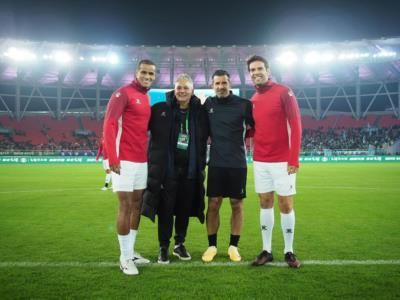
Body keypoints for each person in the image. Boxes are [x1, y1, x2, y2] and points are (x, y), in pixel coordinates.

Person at [142, 74, 209, 264]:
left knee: (183, 209)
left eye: (186, 88)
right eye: (179, 87)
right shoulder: (159, 109)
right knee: (165, 210)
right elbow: (140, 128)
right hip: (167, 171)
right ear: (174, 89)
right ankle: (163, 247)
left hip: (190, 171)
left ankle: (180, 243)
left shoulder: (199, 113)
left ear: (192, 90)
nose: (182, 91)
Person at [246, 55, 302, 268]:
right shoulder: (253, 99)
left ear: (268, 70)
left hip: (282, 160)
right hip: (260, 160)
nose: (256, 72)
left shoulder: (284, 92)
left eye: (259, 68)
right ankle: (267, 250)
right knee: (264, 203)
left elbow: (296, 125)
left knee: (286, 204)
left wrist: (293, 157)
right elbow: (251, 130)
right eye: (252, 69)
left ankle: (289, 250)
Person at [102, 59, 156, 275]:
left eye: (151, 74)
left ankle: (131, 251)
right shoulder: (122, 93)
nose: (148, 76)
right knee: (125, 206)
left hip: (141, 160)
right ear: (136, 72)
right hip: (123, 160)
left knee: (137, 206)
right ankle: (124, 258)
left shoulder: (146, 96)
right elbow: (110, 123)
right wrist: (111, 157)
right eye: (144, 72)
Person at [202, 70, 253, 263]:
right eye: (217, 83)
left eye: (224, 83)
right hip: (215, 162)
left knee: (236, 204)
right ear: (212, 85)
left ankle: (233, 246)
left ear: (229, 84)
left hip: (237, 163)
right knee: (213, 204)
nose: (221, 86)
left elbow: (256, 127)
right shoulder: (208, 104)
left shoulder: (244, 105)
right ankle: (212, 246)